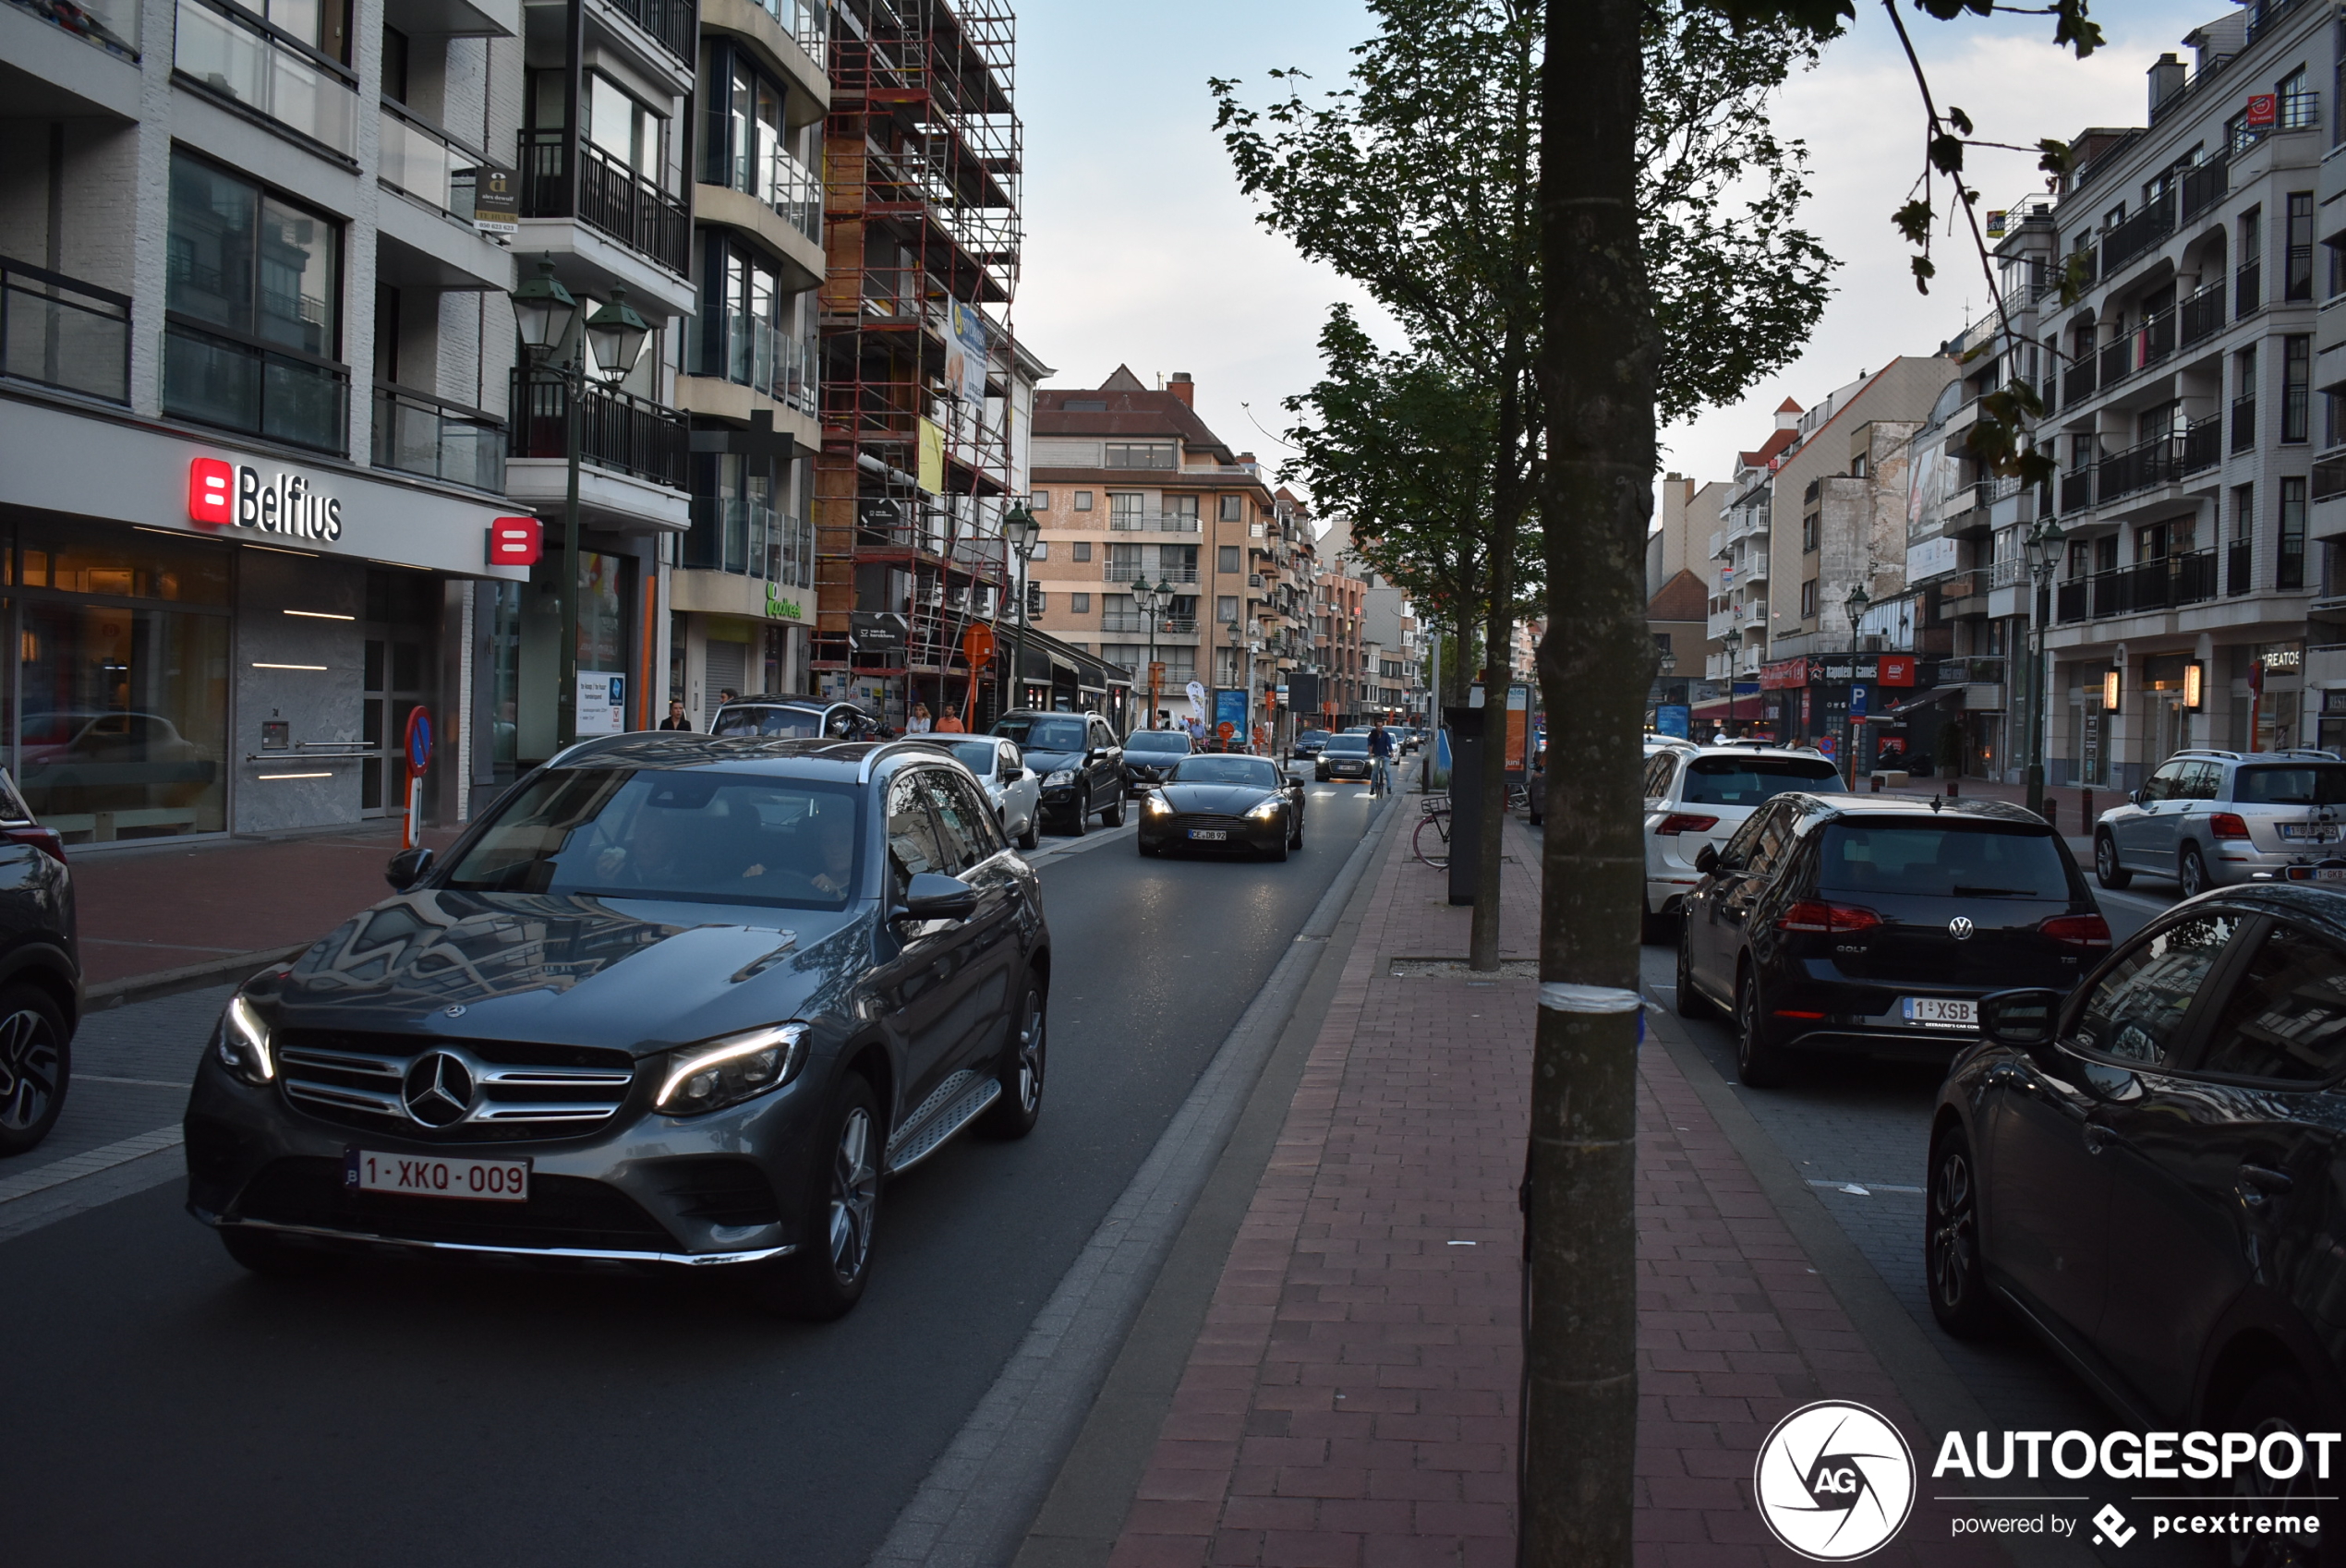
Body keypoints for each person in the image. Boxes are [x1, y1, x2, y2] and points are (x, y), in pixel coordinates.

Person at [1368, 718, 1395, 796]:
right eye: (1378, 726)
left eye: (1381, 726)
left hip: (1385, 755)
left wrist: (1391, 752)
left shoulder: (1385, 735)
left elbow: (1389, 744)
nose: (1380, 727)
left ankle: (1389, 787)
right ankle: (1372, 788)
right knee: (1374, 772)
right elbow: (1370, 744)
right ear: (1376, 727)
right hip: (1376, 755)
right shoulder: (1372, 734)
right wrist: (1370, 753)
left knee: (1387, 770)